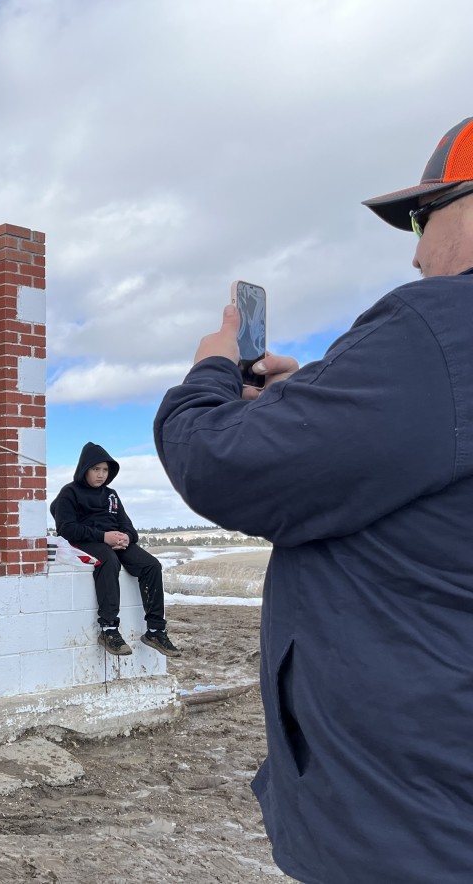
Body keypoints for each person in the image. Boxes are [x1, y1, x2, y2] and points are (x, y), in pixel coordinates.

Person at [152, 117, 473, 884]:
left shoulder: (440, 325)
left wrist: (212, 374)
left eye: (425, 216)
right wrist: (315, 401)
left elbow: (219, 464)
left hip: (413, 821)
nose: (415, 248)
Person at [50, 443, 181, 658]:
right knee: (109, 560)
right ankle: (109, 629)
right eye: (96, 469)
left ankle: (156, 630)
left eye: (105, 470)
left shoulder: (111, 495)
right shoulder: (69, 492)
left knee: (152, 565)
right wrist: (104, 537)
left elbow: (127, 525)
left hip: (114, 541)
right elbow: (66, 528)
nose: (101, 474)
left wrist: (126, 537)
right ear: (84, 469)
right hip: (87, 540)